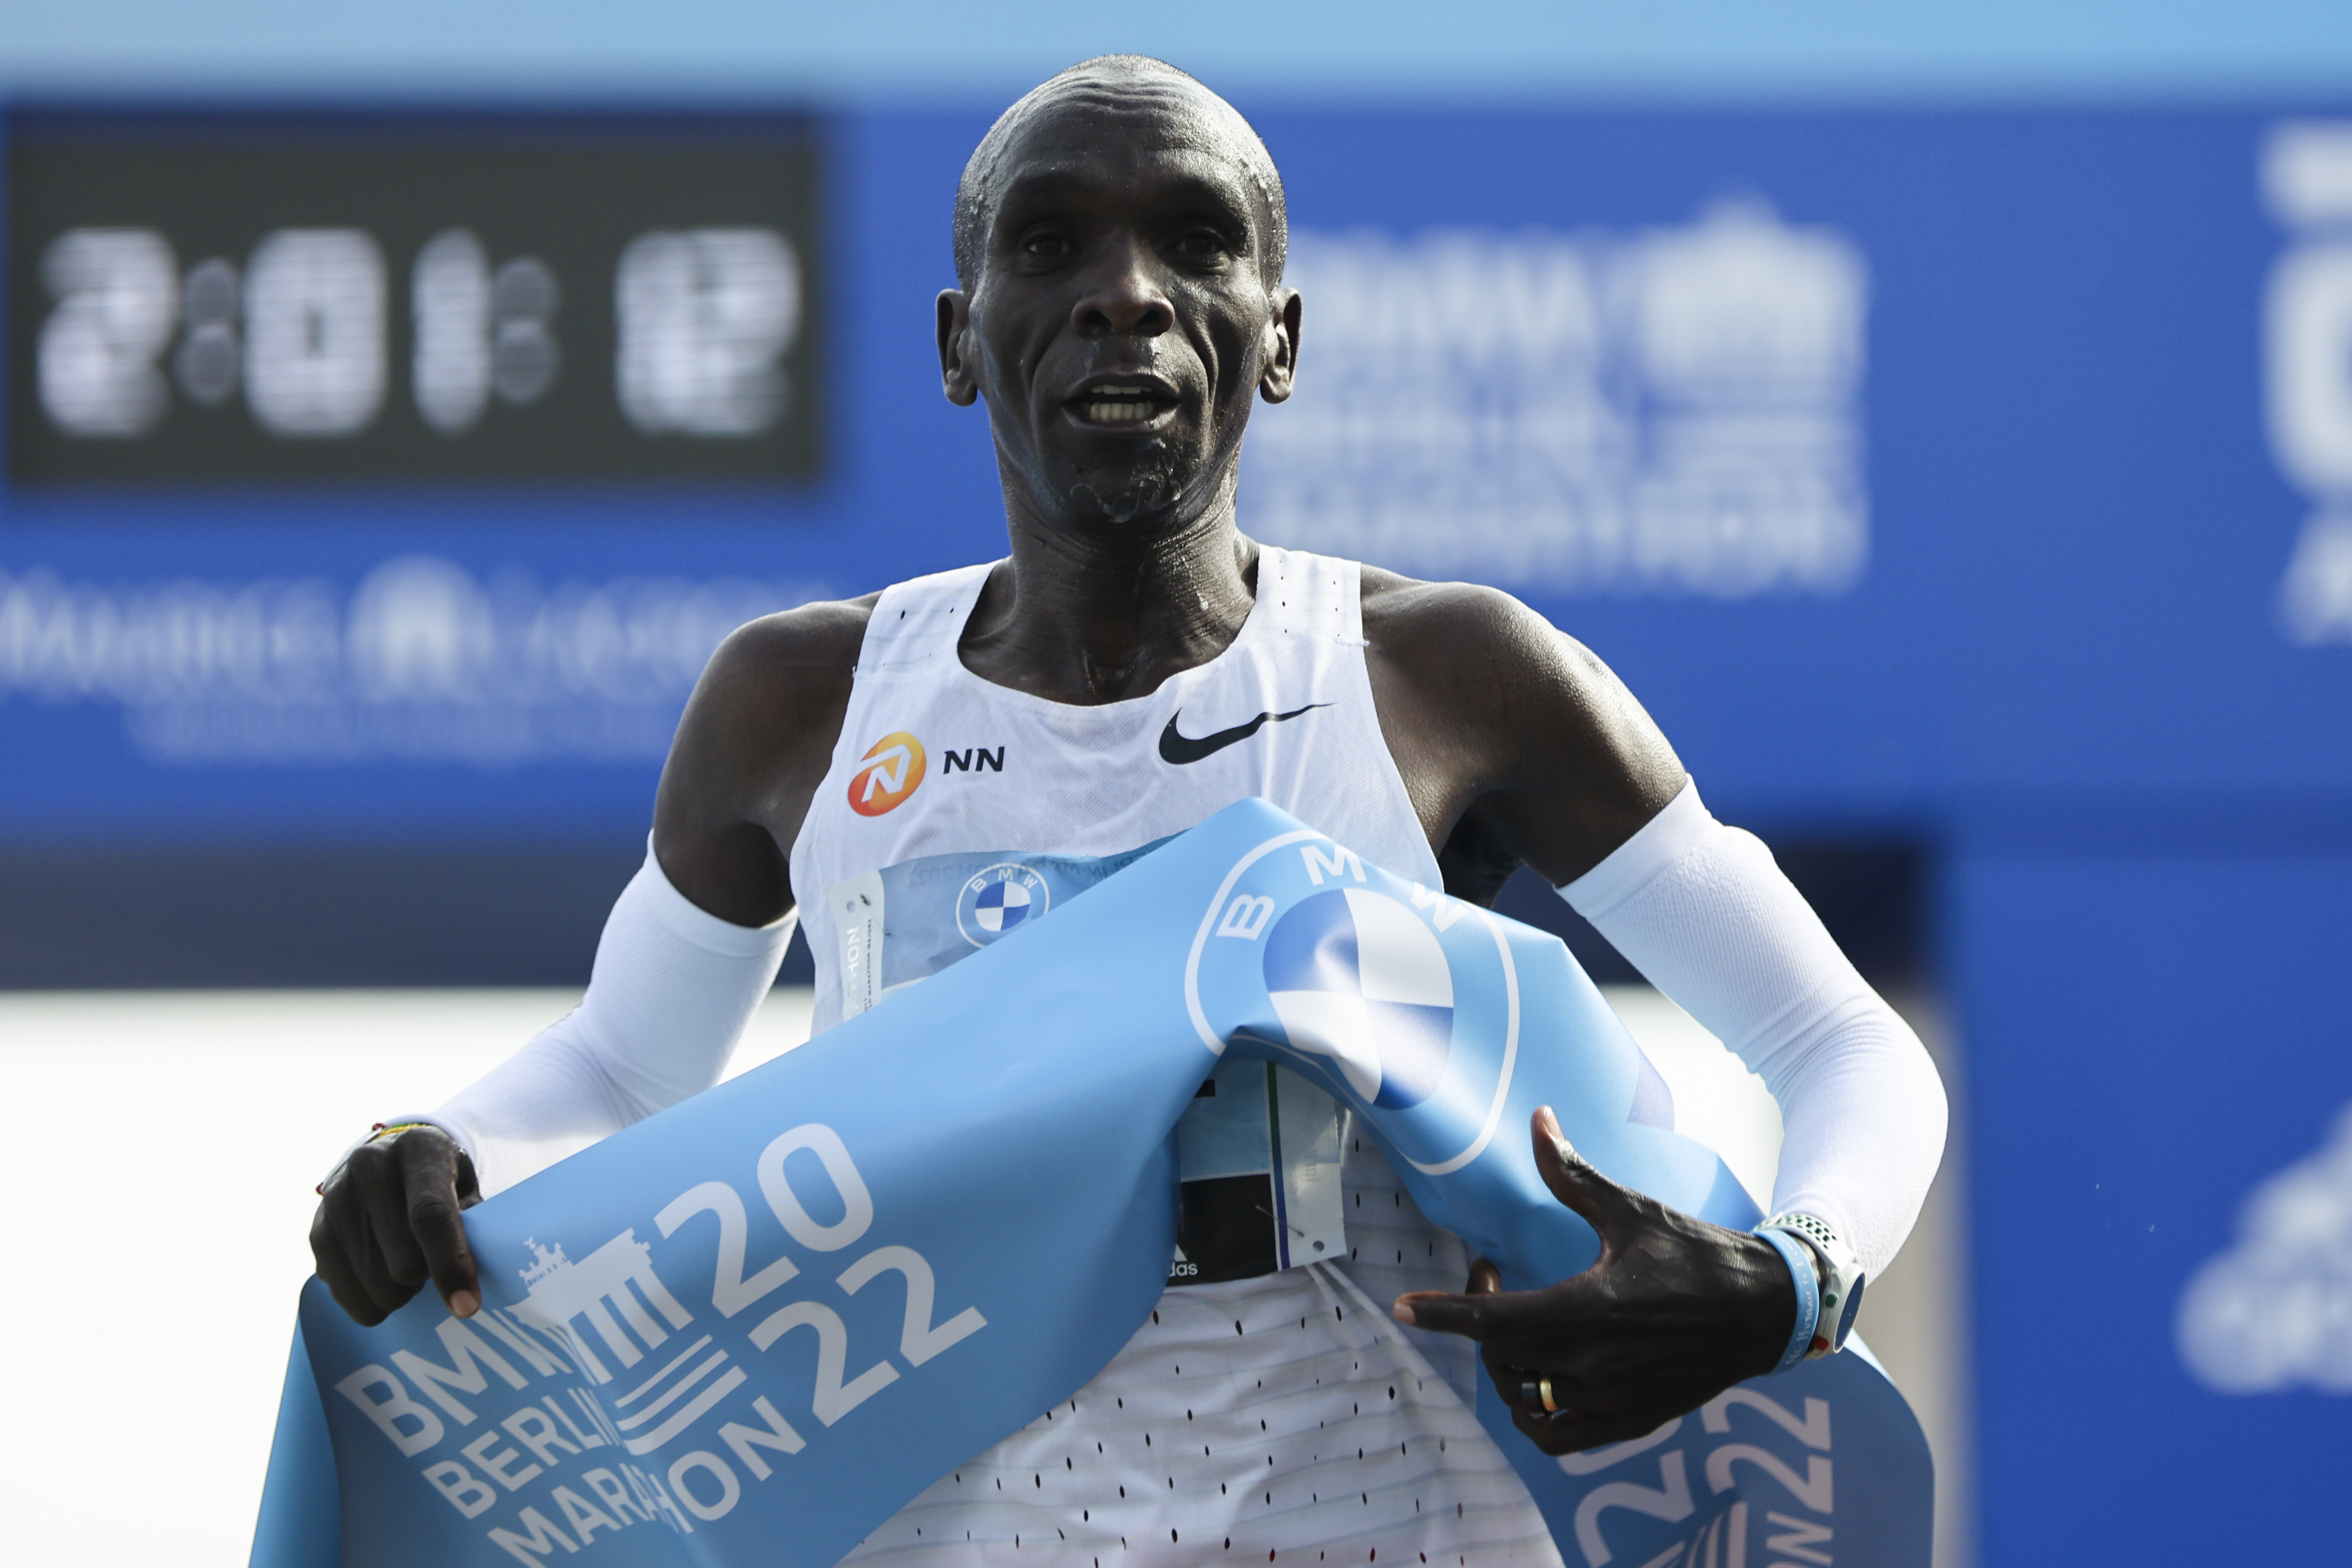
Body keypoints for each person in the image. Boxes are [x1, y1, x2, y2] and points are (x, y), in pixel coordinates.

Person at [311, 55, 1946, 1563]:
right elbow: (621, 1064)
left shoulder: (1446, 676)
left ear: (1279, 337)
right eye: (1050, 247)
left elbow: (1838, 1042)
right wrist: (435, 1145)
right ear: (960, 341)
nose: (1125, 296)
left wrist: (1788, 1275)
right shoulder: (798, 706)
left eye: (1192, 241)